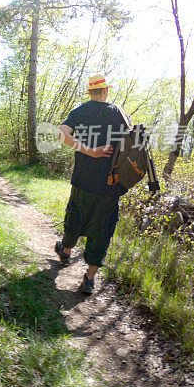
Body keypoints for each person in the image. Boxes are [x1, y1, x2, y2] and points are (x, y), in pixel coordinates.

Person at [54, 73, 128, 295]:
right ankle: (89, 278)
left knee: (75, 216)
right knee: (102, 230)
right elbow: (133, 142)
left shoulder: (80, 111)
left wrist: (89, 151)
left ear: (90, 92)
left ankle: (66, 253)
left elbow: (61, 134)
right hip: (110, 185)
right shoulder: (118, 113)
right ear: (105, 91)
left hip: (83, 181)